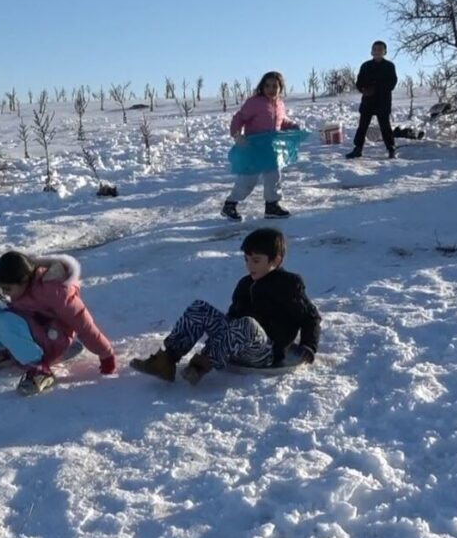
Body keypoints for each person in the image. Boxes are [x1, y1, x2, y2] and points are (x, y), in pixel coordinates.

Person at [130, 228, 321, 385]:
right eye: (246, 260)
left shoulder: (289, 284)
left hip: (266, 351)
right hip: (235, 345)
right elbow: (232, 317)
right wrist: (221, 336)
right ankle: (167, 360)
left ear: (276, 260)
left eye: (256, 261)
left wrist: (308, 345)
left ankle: (201, 365)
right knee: (200, 308)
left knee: (247, 324)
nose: (249, 266)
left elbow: (310, 317)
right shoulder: (245, 284)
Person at [0, 251, 117, 396]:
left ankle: (40, 369)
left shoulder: (55, 290)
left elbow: (83, 323)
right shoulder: (24, 287)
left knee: (6, 321)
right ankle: (6, 351)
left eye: (8, 289)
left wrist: (106, 354)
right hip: (31, 331)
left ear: (24, 280)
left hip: (53, 338)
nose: (6, 294)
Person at [223, 71, 304, 221]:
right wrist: (236, 135)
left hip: (271, 149)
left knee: (274, 177)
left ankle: (272, 206)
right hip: (254, 148)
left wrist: (292, 126)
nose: (271, 89)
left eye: (275, 86)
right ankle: (230, 204)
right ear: (262, 86)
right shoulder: (254, 102)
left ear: (281, 88)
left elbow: (281, 121)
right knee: (248, 180)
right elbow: (239, 118)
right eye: (267, 85)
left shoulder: (280, 104)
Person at [346, 40, 398, 160]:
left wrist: (378, 88)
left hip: (383, 101)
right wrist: (365, 90)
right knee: (362, 126)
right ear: (371, 51)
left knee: (385, 126)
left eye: (380, 49)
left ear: (385, 51)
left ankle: (391, 149)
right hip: (368, 101)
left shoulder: (389, 66)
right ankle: (357, 149)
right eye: (375, 49)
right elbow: (359, 83)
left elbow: (392, 83)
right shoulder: (365, 66)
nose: (377, 52)